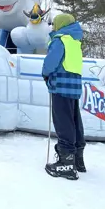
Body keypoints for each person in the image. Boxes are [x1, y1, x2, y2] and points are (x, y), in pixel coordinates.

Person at [42, 13, 86, 181]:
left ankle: (66, 163)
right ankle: (78, 159)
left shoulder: (60, 40)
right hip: (74, 87)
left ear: (60, 25)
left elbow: (51, 63)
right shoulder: (75, 42)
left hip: (60, 85)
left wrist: (45, 73)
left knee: (63, 122)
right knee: (74, 121)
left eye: (54, 25)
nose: (53, 27)